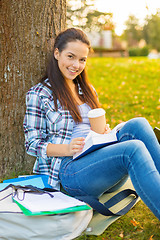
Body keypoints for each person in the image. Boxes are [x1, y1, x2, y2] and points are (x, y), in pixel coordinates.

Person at [23, 28, 160, 220]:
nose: (76, 65)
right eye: (70, 56)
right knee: (133, 149)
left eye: (82, 60)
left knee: (138, 123)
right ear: (57, 53)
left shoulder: (86, 89)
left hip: (100, 166)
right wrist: (67, 148)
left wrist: (105, 133)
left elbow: (92, 130)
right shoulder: (39, 94)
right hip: (70, 173)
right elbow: (32, 144)